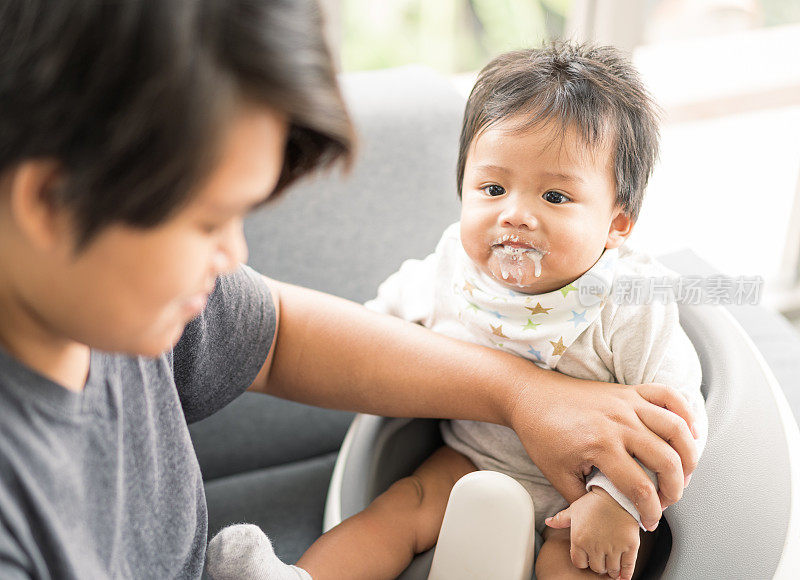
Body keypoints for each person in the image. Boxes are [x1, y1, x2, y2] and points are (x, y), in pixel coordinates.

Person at [0, 0, 698, 577]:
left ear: (618, 223)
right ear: (51, 204)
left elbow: (277, 337)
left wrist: (527, 396)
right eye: (208, 220)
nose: (236, 254)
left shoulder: (123, 302)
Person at [206, 43, 707, 580]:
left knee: (580, 565)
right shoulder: (450, 269)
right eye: (493, 188)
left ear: (617, 224)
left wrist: (617, 502)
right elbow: (377, 331)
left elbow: (676, 417)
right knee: (400, 510)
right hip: (470, 460)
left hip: (585, 492)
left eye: (555, 198)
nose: (516, 214)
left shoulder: (628, 302)